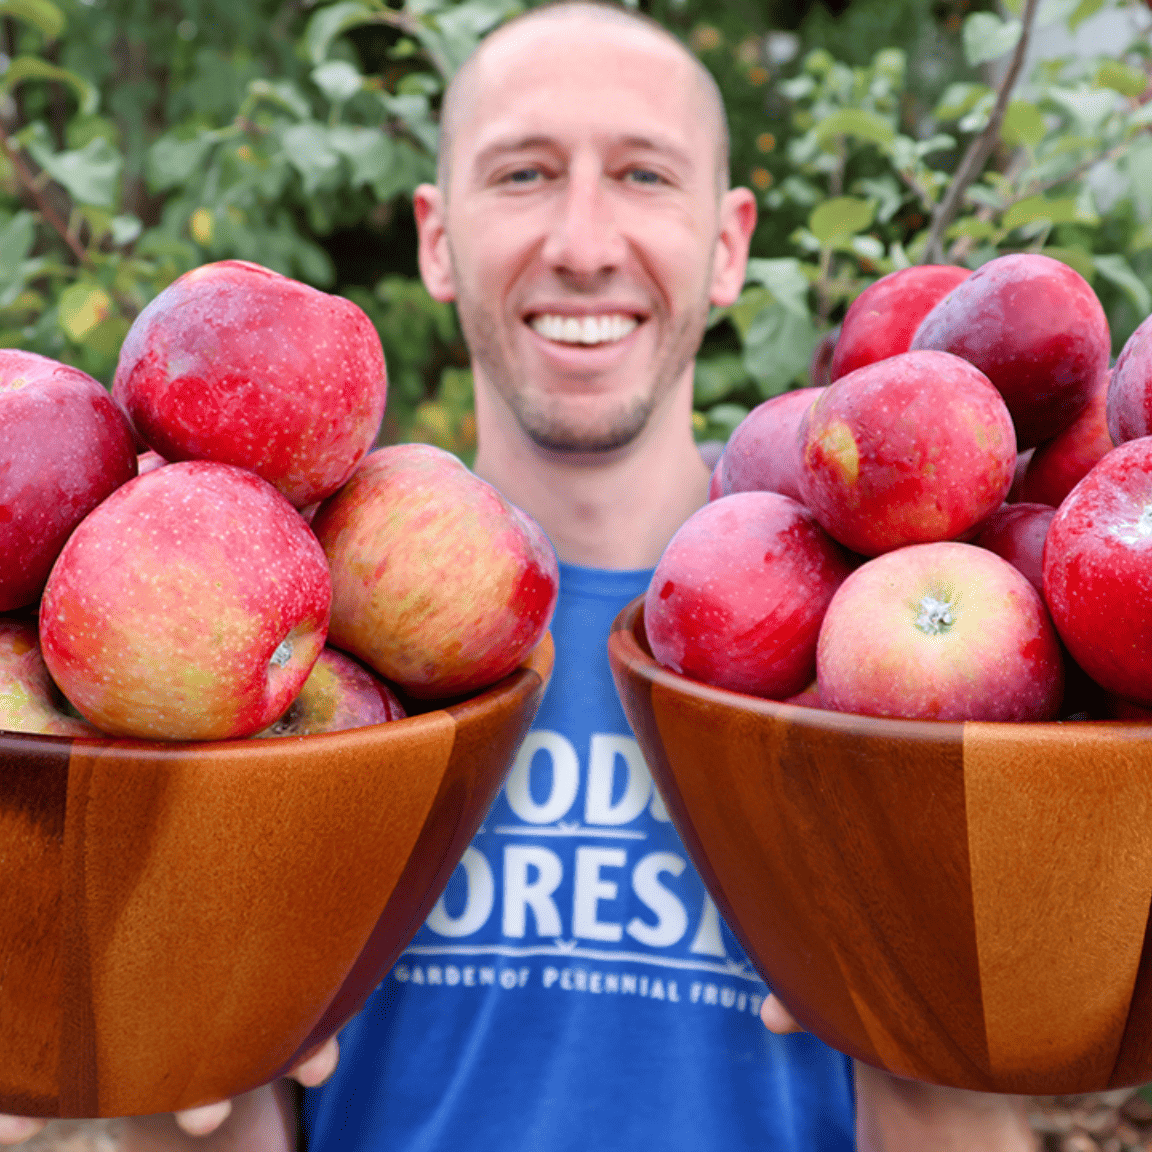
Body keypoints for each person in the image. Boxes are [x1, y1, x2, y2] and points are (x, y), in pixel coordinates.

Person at [0, 4, 1039, 1148]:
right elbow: (225, 1119)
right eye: (525, 174)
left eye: (644, 174)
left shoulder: (860, 657)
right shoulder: (277, 654)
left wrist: (948, 1032)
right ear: (436, 239)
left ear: (731, 241)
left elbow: (938, 1115)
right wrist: (163, 1072)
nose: (584, 241)